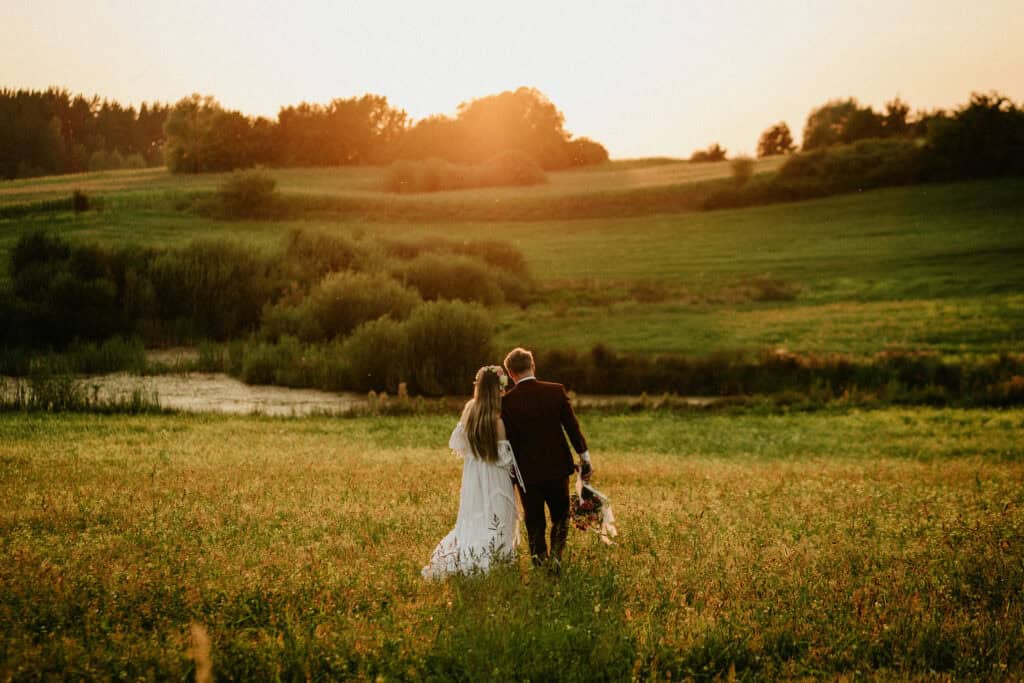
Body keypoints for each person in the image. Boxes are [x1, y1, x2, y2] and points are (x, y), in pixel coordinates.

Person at [422, 365, 526, 580]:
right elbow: (506, 459)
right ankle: (496, 560)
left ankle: (468, 555)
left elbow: (459, 444)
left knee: (474, 517)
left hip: (474, 475)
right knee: (498, 517)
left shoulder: (470, 410)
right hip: (495, 477)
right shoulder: (498, 420)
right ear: (499, 388)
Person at [501, 347, 592, 572]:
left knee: (534, 522)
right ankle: (557, 557)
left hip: (526, 474)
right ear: (533, 366)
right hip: (557, 469)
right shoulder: (555, 391)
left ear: (511, 374)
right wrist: (585, 458)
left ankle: (540, 564)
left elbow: (508, 443)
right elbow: (572, 427)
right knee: (560, 517)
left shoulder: (506, 403)